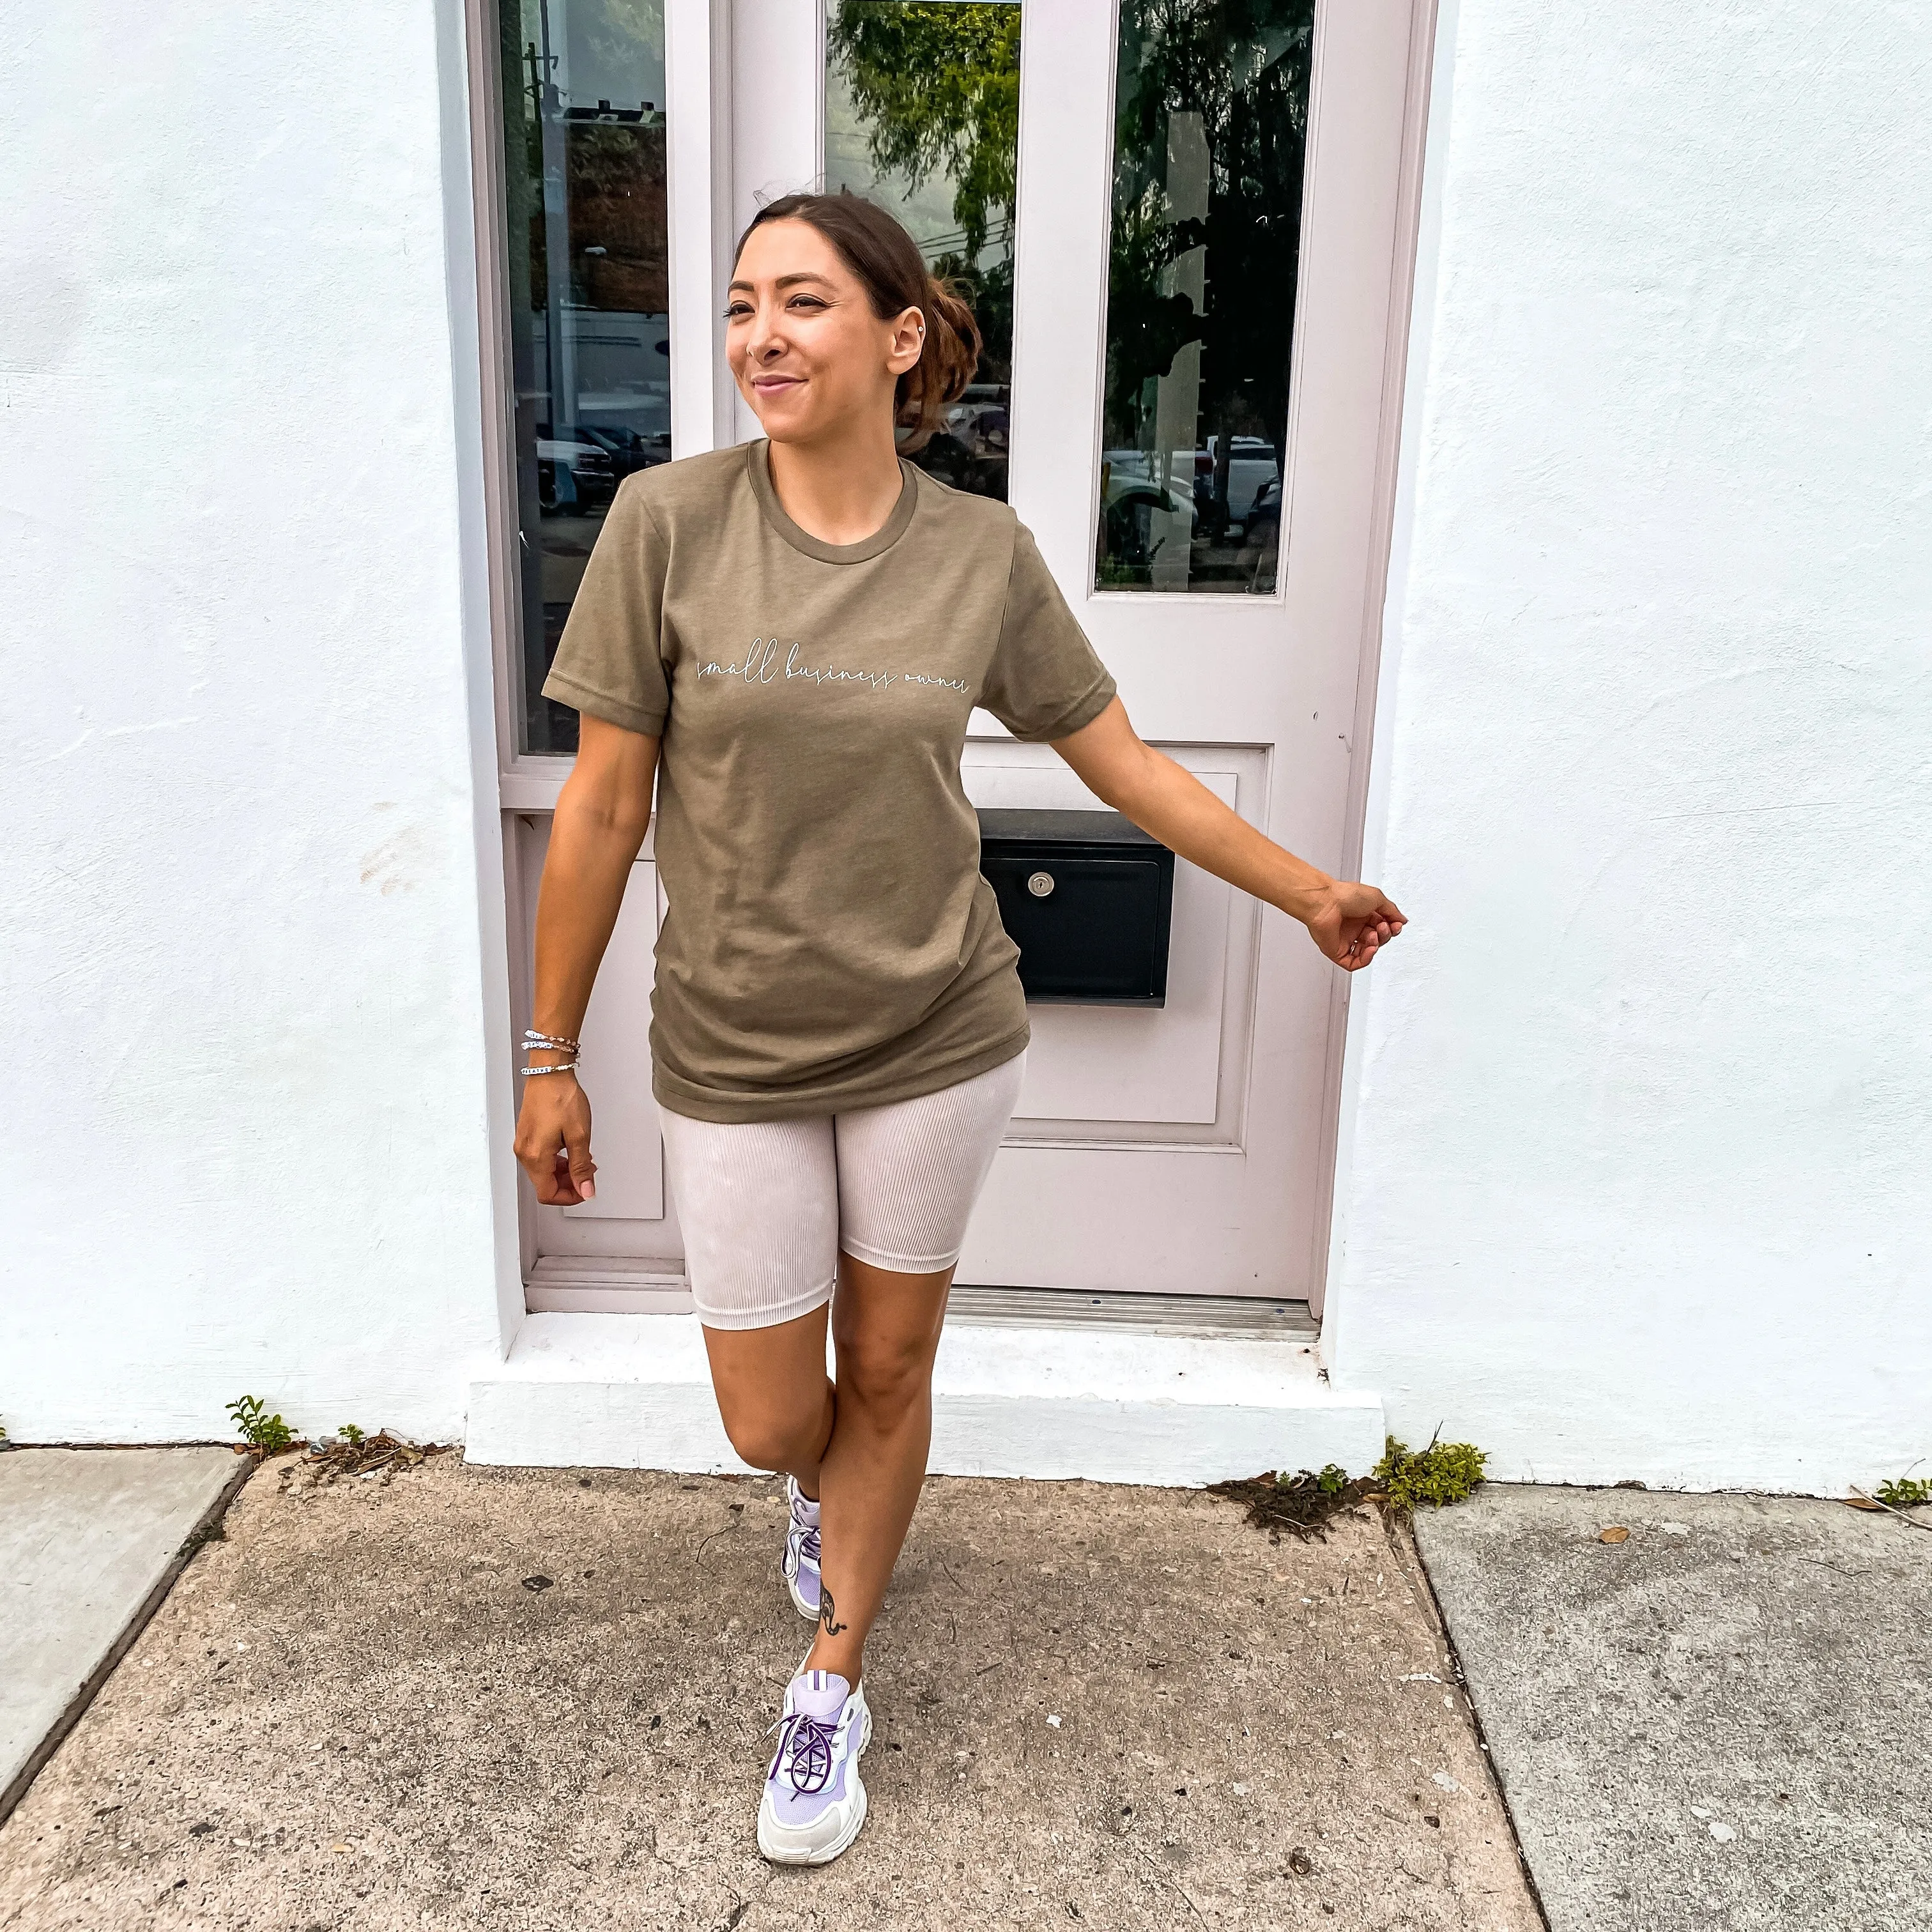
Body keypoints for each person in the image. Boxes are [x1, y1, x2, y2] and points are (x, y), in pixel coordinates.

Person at [512, 189, 1406, 1867]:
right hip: (734, 1046)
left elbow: (1123, 762)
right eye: (740, 307)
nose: (761, 336)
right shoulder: (667, 526)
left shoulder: (976, 555)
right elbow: (604, 806)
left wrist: (1304, 889)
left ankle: (832, 1676)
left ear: (900, 334)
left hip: (936, 1031)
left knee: (898, 1364)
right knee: (776, 1413)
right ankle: (813, 1491)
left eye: (803, 303)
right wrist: (545, 1056)